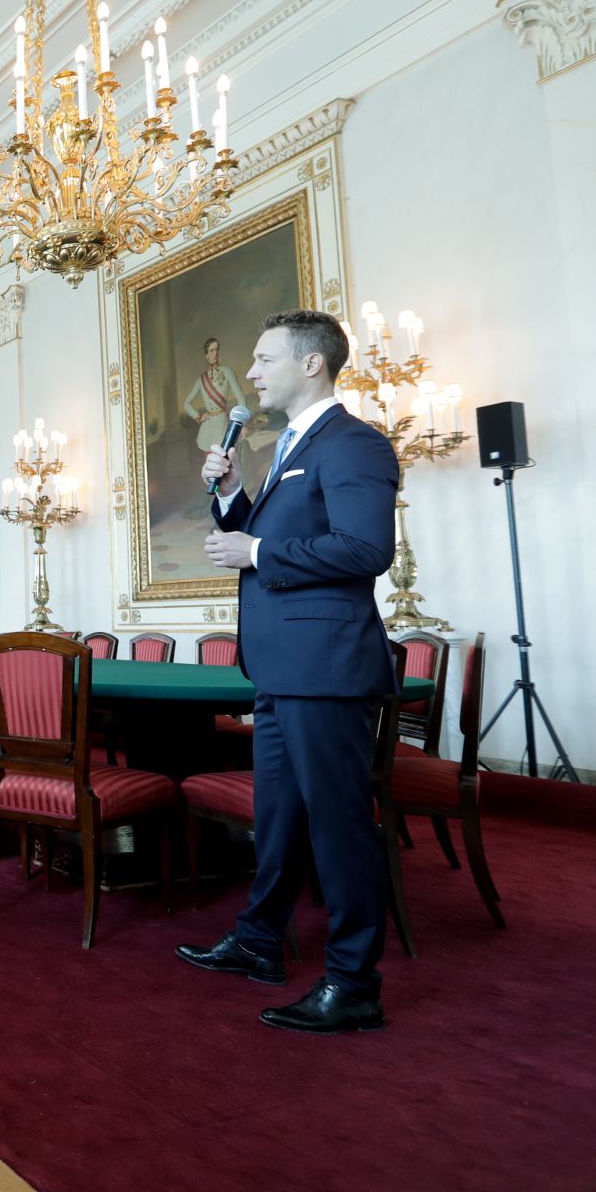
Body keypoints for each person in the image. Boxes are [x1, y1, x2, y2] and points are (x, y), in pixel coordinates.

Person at [177, 309, 400, 1035]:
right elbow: (271, 535)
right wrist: (232, 498)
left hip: (327, 667)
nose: (250, 371)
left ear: (312, 363)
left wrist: (258, 553)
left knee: (339, 827)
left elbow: (365, 549)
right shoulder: (287, 447)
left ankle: (353, 981)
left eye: (264, 357)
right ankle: (260, 940)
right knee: (277, 816)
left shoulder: (354, 442)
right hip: (279, 668)